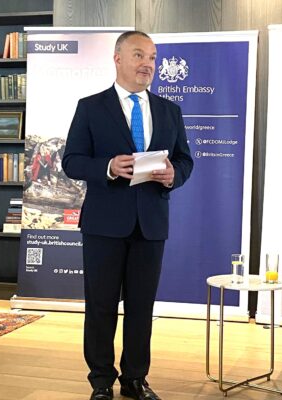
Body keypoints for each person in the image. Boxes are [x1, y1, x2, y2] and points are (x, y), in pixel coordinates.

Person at [62, 31, 193, 400]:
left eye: (152, 57)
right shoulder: (91, 107)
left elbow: (185, 160)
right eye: (139, 55)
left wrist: (174, 175)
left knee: (141, 307)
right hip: (104, 224)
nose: (147, 64)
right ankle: (101, 381)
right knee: (101, 306)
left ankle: (135, 379)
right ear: (117, 58)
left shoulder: (170, 110)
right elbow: (71, 161)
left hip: (151, 224)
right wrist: (107, 167)